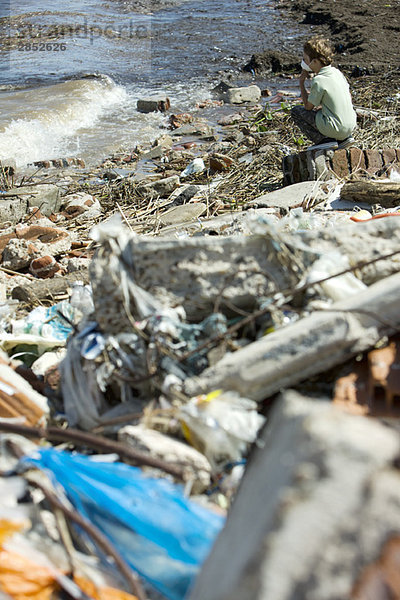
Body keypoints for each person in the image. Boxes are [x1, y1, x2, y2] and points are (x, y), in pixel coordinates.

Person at [291, 36, 357, 149]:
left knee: (296, 111)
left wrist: (301, 82)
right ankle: (343, 139)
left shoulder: (319, 80)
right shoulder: (337, 73)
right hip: (350, 127)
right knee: (323, 111)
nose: (304, 62)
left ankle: (324, 141)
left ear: (315, 61)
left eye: (305, 60)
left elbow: (307, 107)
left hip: (335, 128)